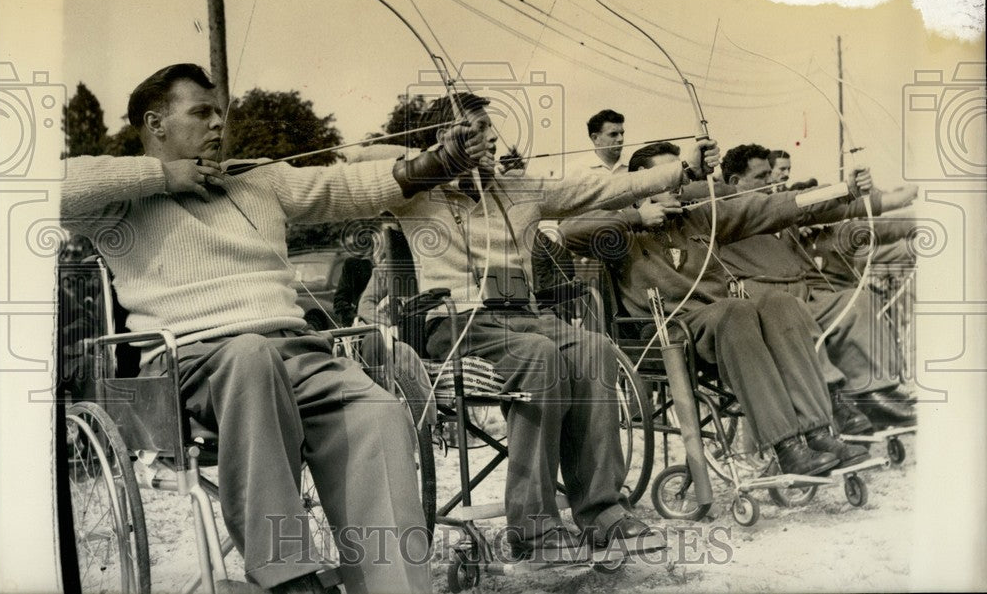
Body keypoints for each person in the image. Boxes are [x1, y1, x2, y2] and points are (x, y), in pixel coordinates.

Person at [60, 63, 491, 594]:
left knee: (375, 410)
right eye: (201, 112)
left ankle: (392, 585)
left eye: (220, 112)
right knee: (248, 356)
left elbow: (344, 187)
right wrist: (161, 176)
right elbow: (41, 187)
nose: (218, 123)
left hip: (294, 356)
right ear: (155, 124)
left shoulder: (256, 178)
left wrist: (443, 159)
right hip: (189, 366)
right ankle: (286, 575)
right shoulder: (119, 202)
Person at [386, 92, 719, 557]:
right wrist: (439, 159)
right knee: (539, 358)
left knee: (593, 348)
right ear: (447, 137)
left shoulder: (517, 187)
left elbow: (602, 191)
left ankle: (602, 509)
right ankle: (533, 528)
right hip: (458, 323)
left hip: (523, 316)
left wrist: (682, 170)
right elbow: (362, 177)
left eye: (488, 129)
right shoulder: (416, 195)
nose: (492, 139)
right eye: (478, 130)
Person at [560, 141, 872, 475]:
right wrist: (636, 217)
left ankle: (818, 432)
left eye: (680, 176)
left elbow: (770, 207)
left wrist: (843, 189)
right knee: (736, 312)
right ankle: (786, 446)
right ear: (642, 182)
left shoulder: (699, 217)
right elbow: (569, 231)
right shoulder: (618, 230)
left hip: (720, 324)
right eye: (667, 178)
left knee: (782, 304)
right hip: (665, 332)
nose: (679, 186)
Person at [718, 144, 917, 428]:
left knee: (856, 302)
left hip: (802, 294)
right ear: (736, 182)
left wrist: (852, 190)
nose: (772, 182)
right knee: (793, 316)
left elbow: (825, 207)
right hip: (763, 305)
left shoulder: (776, 209)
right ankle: (832, 402)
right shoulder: (722, 214)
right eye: (762, 177)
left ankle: (873, 393)